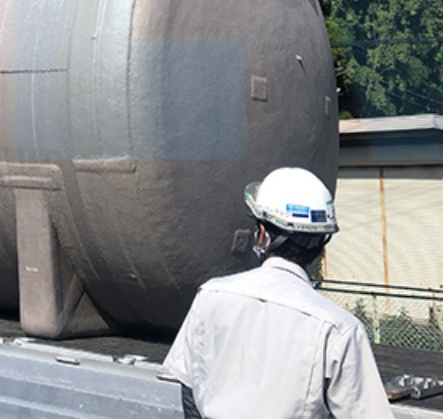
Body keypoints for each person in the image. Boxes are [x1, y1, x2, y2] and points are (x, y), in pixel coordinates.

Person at [164, 167, 393, 419]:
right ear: (321, 243)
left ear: (262, 234)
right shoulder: (339, 329)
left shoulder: (211, 295)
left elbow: (189, 387)